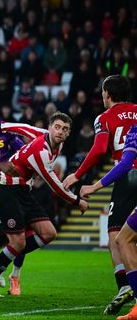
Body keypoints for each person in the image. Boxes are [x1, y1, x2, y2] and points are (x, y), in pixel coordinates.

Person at [0, 112, 89, 297]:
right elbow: (54, 183)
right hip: (6, 189)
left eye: (65, 129)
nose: (61, 132)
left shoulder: (50, 138)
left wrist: (2, 126)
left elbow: (24, 127)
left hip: (23, 191)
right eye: (57, 127)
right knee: (18, 242)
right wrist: (77, 200)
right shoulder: (41, 152)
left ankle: (3, 256)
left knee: (49, 233)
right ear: (50, 127)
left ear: (69, 133)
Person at [63, 75, 137, 315]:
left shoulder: (104, 118)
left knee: (117, 234)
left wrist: (78, 175)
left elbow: (98, 150)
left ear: (107, 94)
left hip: (126, 176)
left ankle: (125, 285)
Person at [81, 125, 137, 320]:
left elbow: (124, 164)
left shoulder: (134, 131)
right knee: (124, 238)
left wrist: (95, 186)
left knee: (122, 239)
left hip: (128, 184)